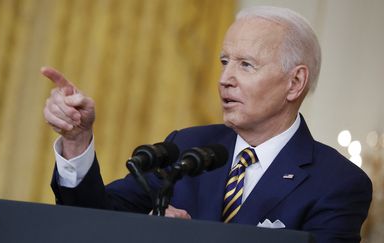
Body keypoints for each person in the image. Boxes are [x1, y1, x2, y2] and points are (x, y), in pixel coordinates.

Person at [42, 6, 372, 243]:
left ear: (294, 82)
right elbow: (92, 220)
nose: (225, 79)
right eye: (225, 62)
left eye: (246, 65)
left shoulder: (337, 183)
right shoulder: (187, 147)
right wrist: (77, 140)